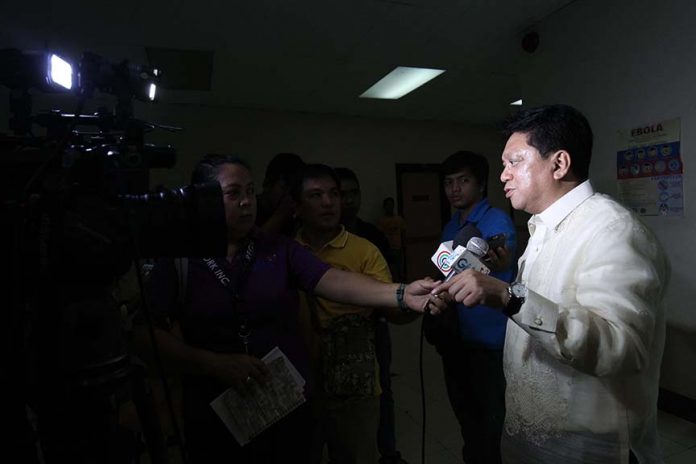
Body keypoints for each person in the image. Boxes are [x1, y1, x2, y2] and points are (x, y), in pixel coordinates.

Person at [134, 154, 443, 464]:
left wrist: (402, 293)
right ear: (203, 198)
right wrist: (212, 363)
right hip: (215, 412)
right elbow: (143, 334)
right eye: (233, 193)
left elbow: (333, 280)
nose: (246, 202)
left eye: (249, 191)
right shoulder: (180, 259)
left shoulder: (277, 248)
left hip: (285, 404)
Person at [435, 104, 669, 464]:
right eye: (503, 165)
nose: (503, 176)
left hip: (588, 446)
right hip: (532, 437)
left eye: (514, 162)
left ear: (558, 164)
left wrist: (509, 297)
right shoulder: (543, 227)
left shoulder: (613, 231)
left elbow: (622, 347)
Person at [294, 164, 418, 464]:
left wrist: (413, 302)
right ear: (297, 206)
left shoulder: (365, 250)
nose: (328, 202)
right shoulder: (285, 251)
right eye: (316, 195)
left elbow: (390, 307)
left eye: (333, 194)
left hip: (354, 381)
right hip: (296, 380)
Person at [425, 150, 516, 464]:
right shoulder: (451, 226)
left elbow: (489, 261)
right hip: (456, 338)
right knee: (465, 415)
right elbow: (445, 270)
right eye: (449, 182)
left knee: (491, 422)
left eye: (463, 180)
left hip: (490, 340)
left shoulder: (496, 222)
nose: (454, 188)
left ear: (480, 184)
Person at [334, 167, 408, 464]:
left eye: (355, 193)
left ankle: (388, 452)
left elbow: (391, 283)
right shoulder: (308, 241)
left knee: (382, 389)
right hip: (328, 336)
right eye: (343, 194)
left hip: (373, 326)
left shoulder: (372, 236)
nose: (349, 200)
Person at [256, 152, 305, 236]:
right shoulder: (249, 209)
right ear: (267, 184)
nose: (289, 194)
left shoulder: (293, 215)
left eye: (294, 188)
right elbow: (253, 246)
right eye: (284, 187)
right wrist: (280, 214)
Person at [377, 197, 406, 281]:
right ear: (385, 207)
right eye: (388, 205)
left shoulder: (398, 219)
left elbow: (403, 232)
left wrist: (403, 246)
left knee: (400, 271)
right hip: (387, 250)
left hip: (398, 248)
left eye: (391, 205)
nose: (390, 207)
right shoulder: (381, 220)